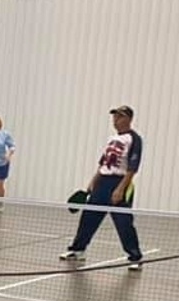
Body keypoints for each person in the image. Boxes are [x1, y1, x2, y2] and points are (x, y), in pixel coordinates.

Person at [60, 105, 143, 270]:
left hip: (119, 182)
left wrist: (120, 189)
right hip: (102, 182)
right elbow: (104, 163)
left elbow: (132, 168)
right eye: (114, 117)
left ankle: (135, 257)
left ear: (128, 119)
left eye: (119, 117)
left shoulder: (134, 139)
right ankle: (78, 250)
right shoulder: (112, 139)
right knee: (88, 217)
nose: (116, 120)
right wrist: (93, 181)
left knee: (123, 222)